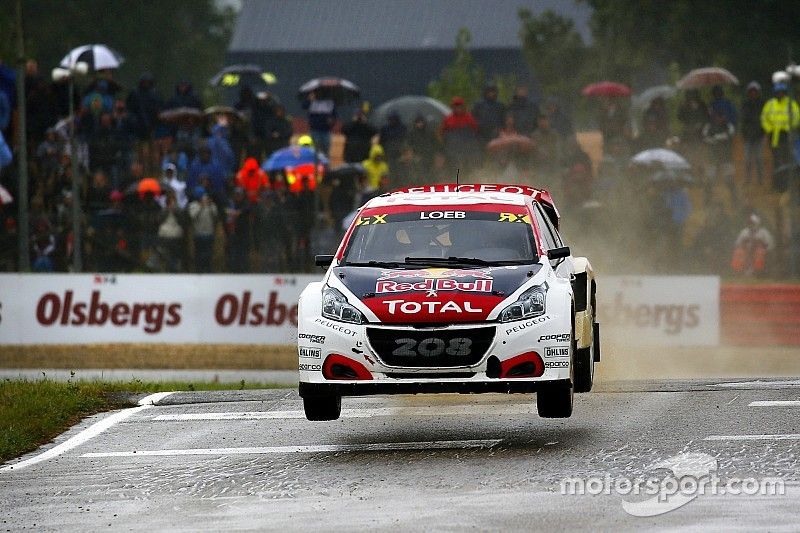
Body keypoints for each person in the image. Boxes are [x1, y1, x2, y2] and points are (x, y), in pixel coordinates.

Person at [761, 82, 800, 193]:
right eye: (778, 92)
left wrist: (789, 127)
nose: (780, 94)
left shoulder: (791, 104)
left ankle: (789, 185)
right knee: (777, 162)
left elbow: (797, 117)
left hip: (787, 136)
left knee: (788, 161)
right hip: (774, 137)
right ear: (775, 93)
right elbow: (764, 118)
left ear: (785, 93)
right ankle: (778, 186)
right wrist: (769, 129)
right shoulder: (770, 104)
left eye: (782, 92)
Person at [440, 96, 480, 172]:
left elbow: (475, 130)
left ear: (463, 107)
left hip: (467, 148)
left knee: (468, 167)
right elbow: (442, 133)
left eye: (459, 106)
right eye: (455, 106)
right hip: (453, 149)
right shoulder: (448, 119)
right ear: (453, 107)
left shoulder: (469, 117)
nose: (458, 108)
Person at [740, 81, 765, 185]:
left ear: (758, 92)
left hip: (759, 135)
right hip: (748, 135)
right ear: (748, 93)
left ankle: (760, 180)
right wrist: (744, 133)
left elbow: (765, 118)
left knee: (758, 158)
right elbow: (742, 120)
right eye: (751, 91)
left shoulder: (762, 104)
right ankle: (747, 179)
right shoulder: (745, 104)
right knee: (747, 159)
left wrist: (763, 132)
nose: (753, 93)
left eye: (755, 91)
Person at [188, 186, 218, 273]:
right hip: (198, 234)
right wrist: (201, 206)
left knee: (208, 255)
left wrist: (210, 205)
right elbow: (193, 216)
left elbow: (215, 215)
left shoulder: (210, 205)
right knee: (199, 255)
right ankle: (199, 272)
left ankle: (208, 271)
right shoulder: (193, 205)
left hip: (209, 234)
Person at [302, 90, 336, 156]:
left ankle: (325, 164)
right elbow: (304, 106)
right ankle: (315, 164)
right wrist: (309, 99)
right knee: (315, 150)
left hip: (326, 130)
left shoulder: (329, 102)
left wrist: (332, 121)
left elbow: (334, 115)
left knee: (326, 149)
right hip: (315, 129)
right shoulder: (312, 101)